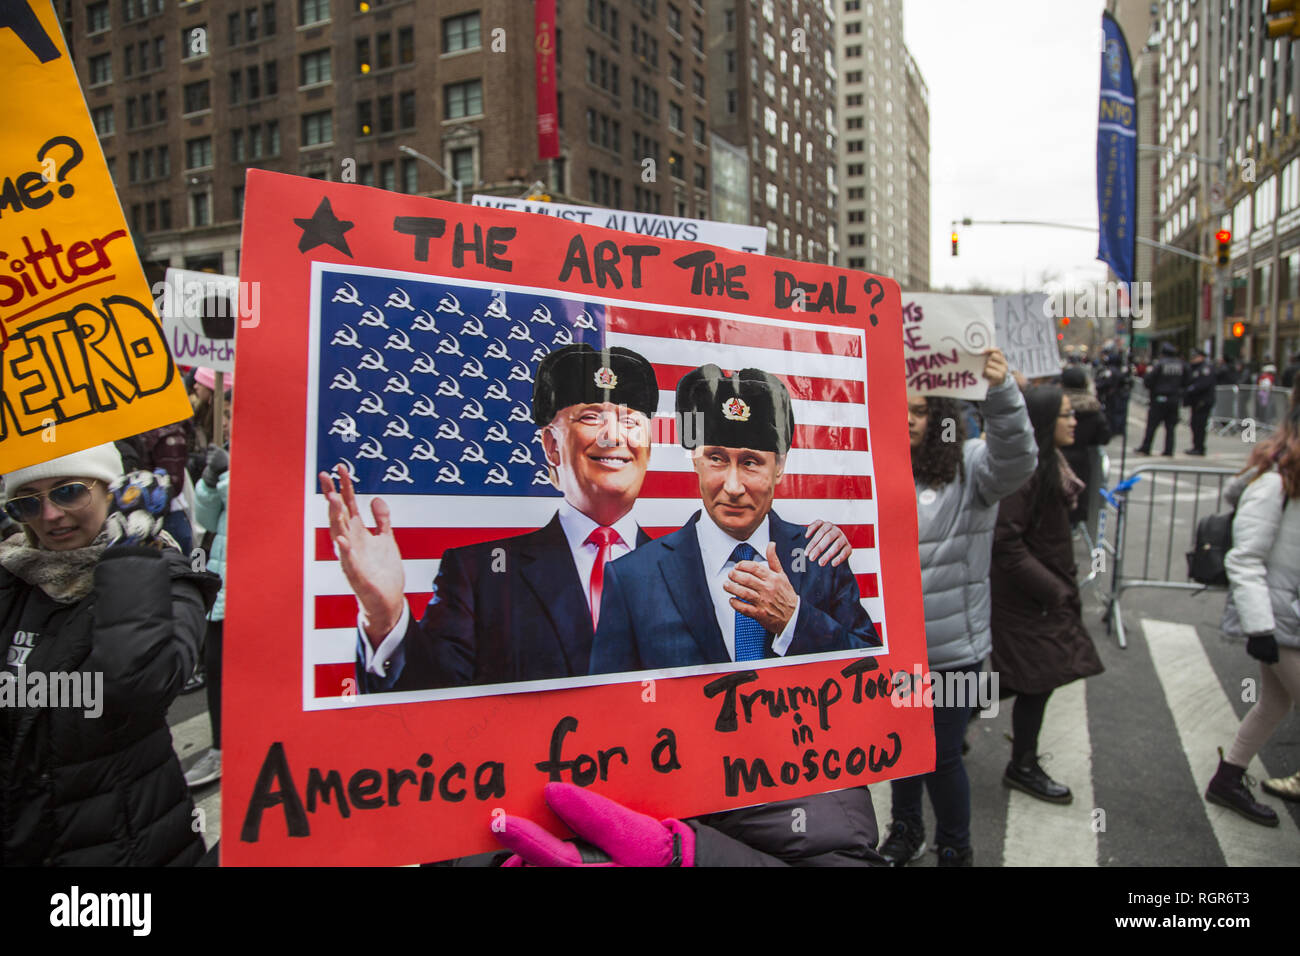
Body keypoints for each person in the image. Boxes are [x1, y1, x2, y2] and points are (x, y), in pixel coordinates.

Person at [327, 344, 852, 692]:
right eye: (590, 416)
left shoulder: (682, 566)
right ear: (550, 444)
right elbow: (428, 707)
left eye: (630, 419)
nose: (612, 436)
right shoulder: (481, 573)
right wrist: (385, 617)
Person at [0, 444, 218, 865]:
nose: (50, 515)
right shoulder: (14, 575)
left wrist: (130, 562)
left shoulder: (164, 573)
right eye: (28, 502)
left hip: (126, 847)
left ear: (108, 488)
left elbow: (139, 686)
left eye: (68, 492)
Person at [588, 365, 878, 674]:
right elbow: (609, 705)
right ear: (695, 461)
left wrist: (794, 619)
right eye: (716, 459)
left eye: (751, 462)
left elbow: (872, 671)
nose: (733, 486)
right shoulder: (632, 578)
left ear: (779, 465)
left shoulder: (819, 556)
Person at [876, 349, 1037, 869]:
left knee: (942, 759)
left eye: (919, 411)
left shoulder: (970, 468)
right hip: (897, 648)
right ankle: (906, 832)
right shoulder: (878, 467)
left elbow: (1017, 458)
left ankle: (956, 848)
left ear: (941, 416)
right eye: (899, 408)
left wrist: (1002, 393)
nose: (907, 419)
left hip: (954, 652)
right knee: (902, 750)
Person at [990, 386, 1104, 803]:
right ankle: (1021, 765)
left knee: (1021, 680)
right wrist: (1053, 590)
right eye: (1066, 415)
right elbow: (1007, 541)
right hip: (1028, 601)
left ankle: (946, 729)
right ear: (1043, 423)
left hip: (1038, 597)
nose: (1075, 422)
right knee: (1033, 680)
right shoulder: (1029, 470)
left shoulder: (1051, 463)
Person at [1204, 379, 1300, 822]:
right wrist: (1261, 628)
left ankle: (1227, 780)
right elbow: (1244, 559)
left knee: (1274, 704)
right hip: (1282, 620)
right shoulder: (1275, 483)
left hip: (1286, 615)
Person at [184, 441, 230, 789]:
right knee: (217, 670)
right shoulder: (232, 449)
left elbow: (257, 506)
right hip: (225, 583)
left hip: (259, 585)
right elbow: (207, 519)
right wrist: (209, 482)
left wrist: (227, 476)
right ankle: (220, 749)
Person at [1060, 366, 1111, 526]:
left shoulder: (1056, 403)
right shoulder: (1092, 407)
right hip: (1080, 461)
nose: (1072, 423)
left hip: (1058, 458)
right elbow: (1103, 435)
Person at [1136, 342, 1190, 456]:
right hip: (1174, 399)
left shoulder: (1160, 364)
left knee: (1152, 425)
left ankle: (1146, 447)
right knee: (1170, 427)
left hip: (1159, 399)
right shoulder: (1181, 365)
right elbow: (1187, 381)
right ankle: (1169, 450)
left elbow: (1149, 380)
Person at [1182, 348, 1216, 456]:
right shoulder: (1194, 368)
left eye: (1195, 357)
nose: (1193, 359)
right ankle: (1196, 446)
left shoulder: (1205, 368)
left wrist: (1190, 389)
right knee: (1194, 424)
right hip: (1195, 402)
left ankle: (1199, 447)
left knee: (1199, 425)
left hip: (1202, 401)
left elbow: (1203, 384)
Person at [1094, 350, 1131, 437]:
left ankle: (1110, 430)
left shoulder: (1110, 371)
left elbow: (1103, 383)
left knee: (1109, 414)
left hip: (1110, 396)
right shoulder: (1120, 371)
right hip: (1117, 396)